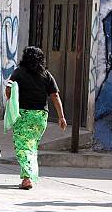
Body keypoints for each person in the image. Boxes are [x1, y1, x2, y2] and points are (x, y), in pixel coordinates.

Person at [6, 46, 67, 190]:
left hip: (23, 115)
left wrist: (11, 100)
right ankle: (26, 177)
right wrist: (61, 117)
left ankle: (27, 178)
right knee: (31, 146)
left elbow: (8, 89)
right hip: (40, 117)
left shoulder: (18, 73)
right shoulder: (46, 74)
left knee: (22, 146)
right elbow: (55, 95)